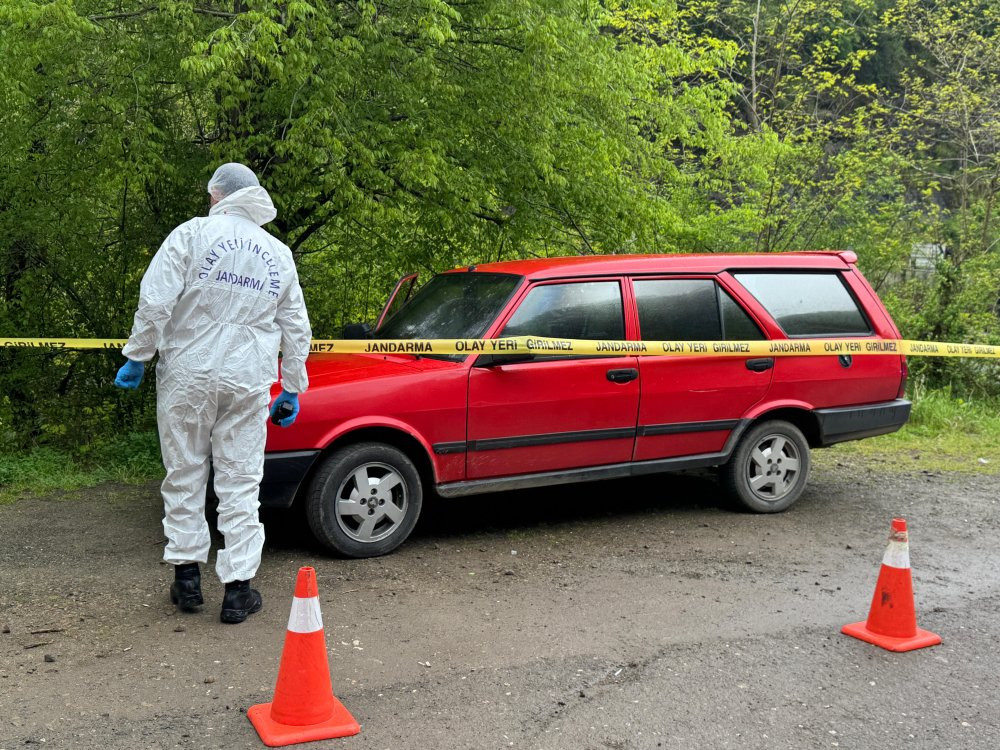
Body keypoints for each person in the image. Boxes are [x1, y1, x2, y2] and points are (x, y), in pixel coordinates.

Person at [114, 163, 311, 624]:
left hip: (188, 374)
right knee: (240, 480)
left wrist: (138, 355)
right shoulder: (277, 253)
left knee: (184, 472)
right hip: (247, 379)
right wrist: (294, 387)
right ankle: (238, 591)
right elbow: (296, 327)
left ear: (215, 194)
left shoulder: (191, 235)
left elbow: (156, 298)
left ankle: (187, 580)